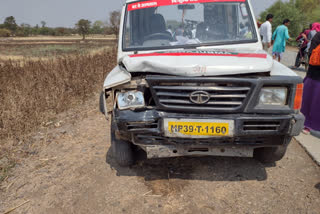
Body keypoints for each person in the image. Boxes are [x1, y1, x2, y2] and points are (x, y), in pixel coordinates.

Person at [301, 31, 320, 134]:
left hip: (314, 75)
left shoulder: (318, 35)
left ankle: (307, 124)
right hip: (315, 75)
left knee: (310, 101)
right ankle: (307, 124)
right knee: (312, 101)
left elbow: (311, 52)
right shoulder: (318, 35)